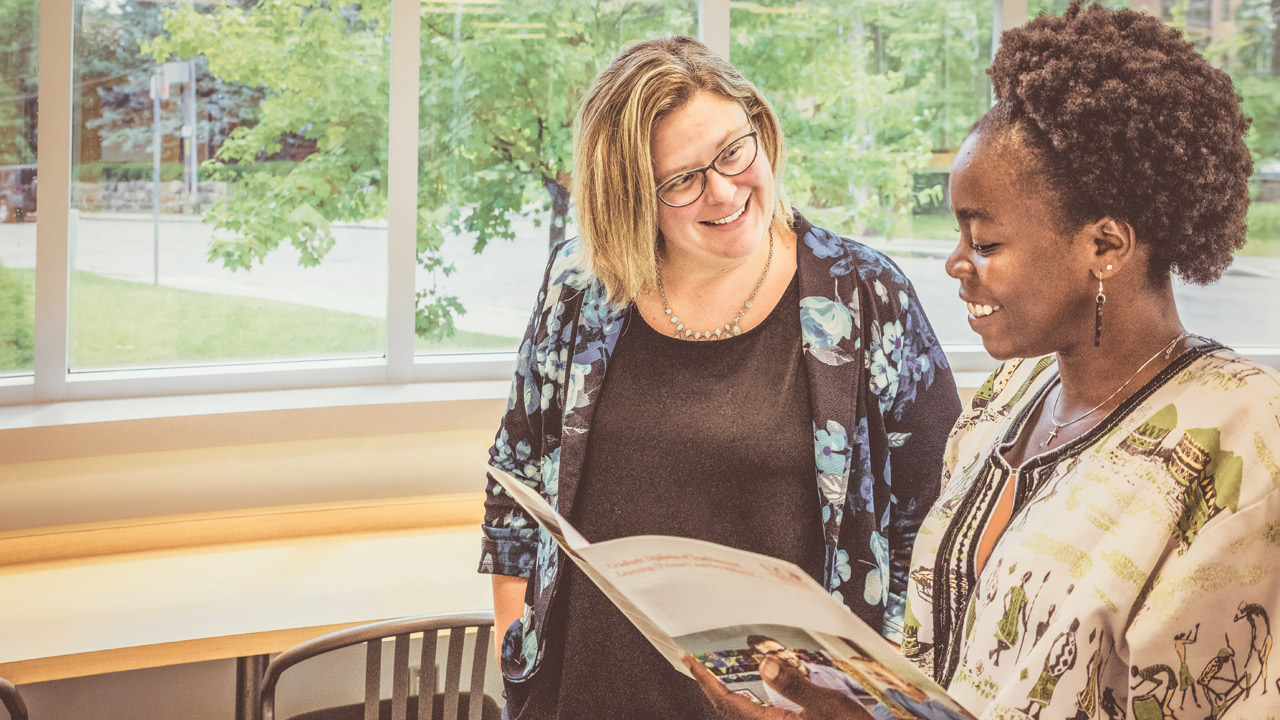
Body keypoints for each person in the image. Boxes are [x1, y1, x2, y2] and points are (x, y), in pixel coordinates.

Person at [691, 1, 1280, 719]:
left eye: (986, 242)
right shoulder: (1008, 398)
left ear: (1106, 247)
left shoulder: (1244, 441)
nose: (954, 262)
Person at [479, 35, 961, 719]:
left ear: (760, 128)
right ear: (630, 198)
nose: (725, 190)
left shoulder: (866, 296)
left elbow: (939, 525)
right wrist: (513, 645)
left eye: (735, 152)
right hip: (585, 695)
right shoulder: (580, 286)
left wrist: (869, 705)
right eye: (682, 180)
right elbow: (516, 477)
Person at [746, 635, 867, 711]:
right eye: (773, 655)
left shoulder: (825, 670)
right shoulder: (775, 685)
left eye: (782, 650)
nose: (783, 656)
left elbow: (864, 685)